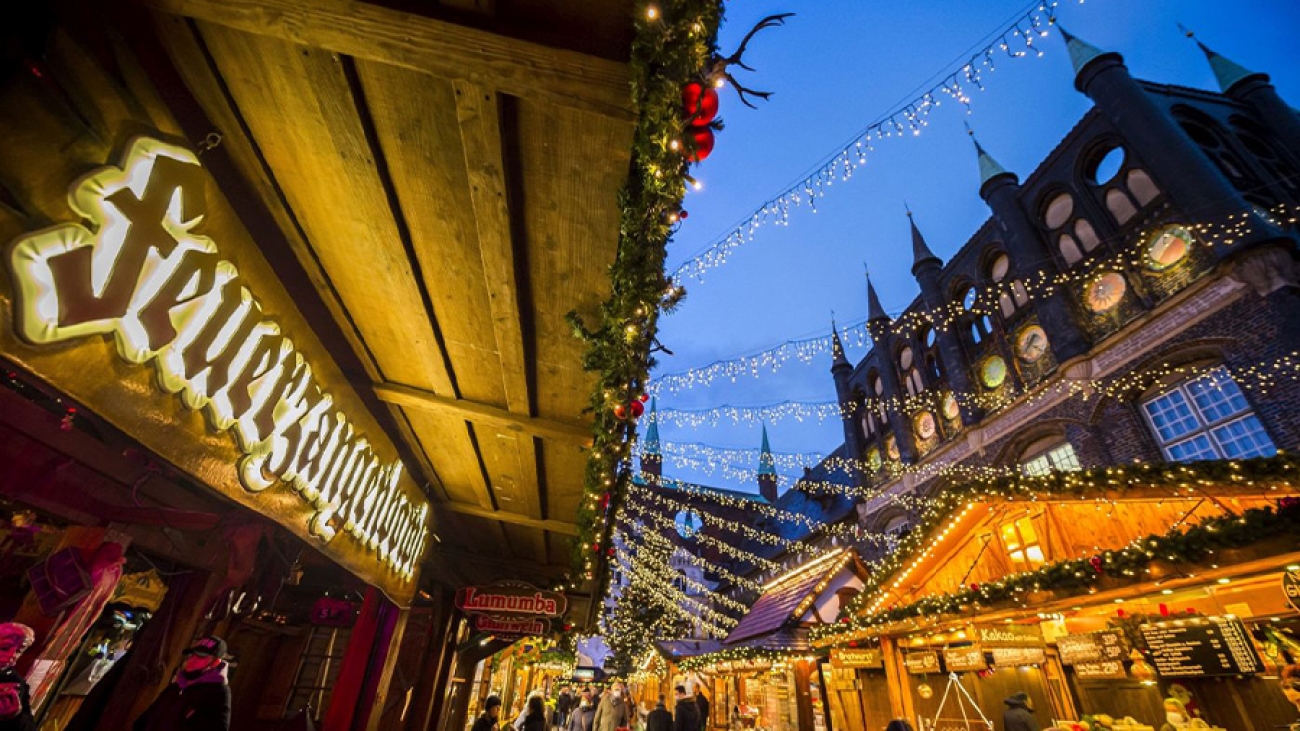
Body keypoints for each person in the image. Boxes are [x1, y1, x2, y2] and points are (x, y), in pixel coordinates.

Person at [133, 635, 231, 731]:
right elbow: (147, 717)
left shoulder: (218, 692)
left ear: (215, 663)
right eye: (192, 655)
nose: (192, 660)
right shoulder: (177, 685)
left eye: (200, 657)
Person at [0, 623, 36, 731]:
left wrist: (17, 716)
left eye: (19, 650)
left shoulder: (15, 682)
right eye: (6, 648)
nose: (12, 655)